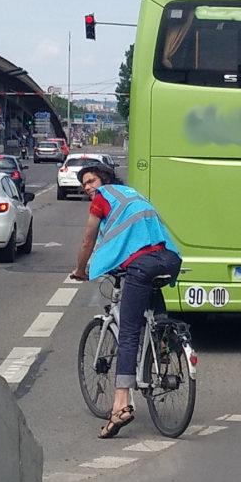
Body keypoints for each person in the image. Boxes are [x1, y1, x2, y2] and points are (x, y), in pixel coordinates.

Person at [69, 158, 181, 437]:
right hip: (168, 259)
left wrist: (81, 269)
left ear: (104, 180)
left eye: (91, 181)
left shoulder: (104, 198)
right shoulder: (132, 194)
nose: (87, 188)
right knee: (154, 312)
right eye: (84, 185)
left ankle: (120, 406)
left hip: (142, 266)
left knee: (129, 332)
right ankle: (164, 347)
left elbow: (88, 239)